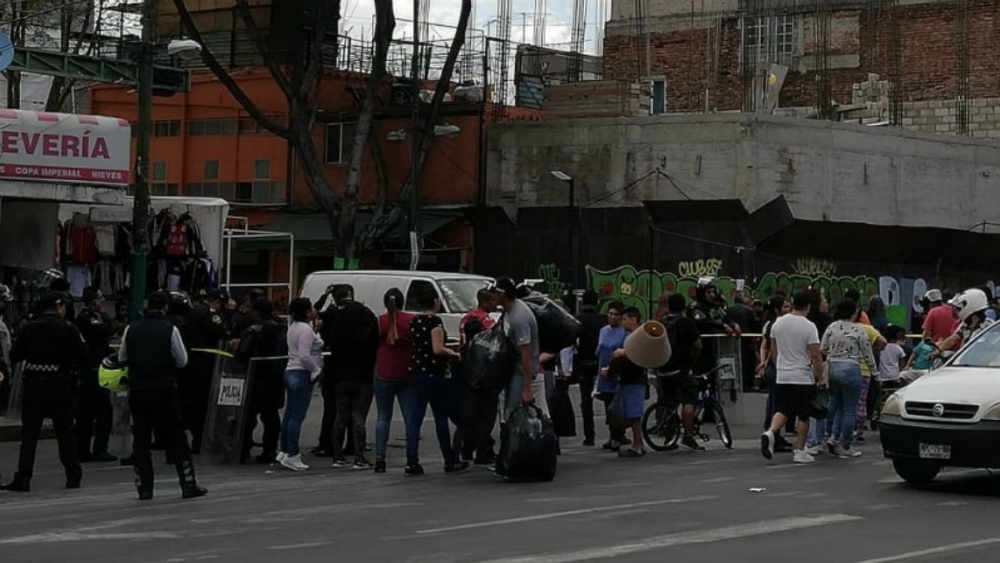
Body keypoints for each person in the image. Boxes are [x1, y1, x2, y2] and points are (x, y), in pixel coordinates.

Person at [119, 291, 207, 500]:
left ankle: (145, 487)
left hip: (138, 390)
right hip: (164, 389)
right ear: (165, 308)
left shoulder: (131, 328)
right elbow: (182, 360)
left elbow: (122, 356)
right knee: (176, 437)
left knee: (141, 440)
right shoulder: (170, 329)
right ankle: (188, 483)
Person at [0, 293, 87, 492]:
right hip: (59, 384)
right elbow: (83, 355)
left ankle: (23, 477)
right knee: (65, 432)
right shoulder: (68, 328)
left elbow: (15, 355)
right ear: (57, 306)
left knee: (29, 435)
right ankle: (73, 474)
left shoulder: (29, 328)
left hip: (34, 384)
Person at [407, 288, 469, 475]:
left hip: (417, 372)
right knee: (441, 419)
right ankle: (449, 460)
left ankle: (412, 461)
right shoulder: (434, 321)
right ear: (435, 301)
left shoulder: (415, 321)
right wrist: (452, 354)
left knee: (415, 419)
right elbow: (437, 348)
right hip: (434, 373)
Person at [761, 289, 826, 465]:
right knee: (803, 415)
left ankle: (770, 432)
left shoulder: (778, 323)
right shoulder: (809, 326)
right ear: (809, 306)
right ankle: (800, 450)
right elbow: (815, 355)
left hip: (783, 374)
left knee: (782, 409)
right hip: (802, 375)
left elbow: (773, 350)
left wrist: (779, 365)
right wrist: (820, 376)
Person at [326, 286, 379, 471]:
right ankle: (359, 456)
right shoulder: (366, 333)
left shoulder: (338, 331)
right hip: (362, 378)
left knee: (340, 418)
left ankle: (337, 456)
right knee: (358, 419)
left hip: (340, 378)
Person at [819, 299, 878, 459]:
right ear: (854, 313)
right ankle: (846, 445)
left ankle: (832, 435)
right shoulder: (858, 330)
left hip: (832, 367)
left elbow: (823, 347)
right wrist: (875, 373)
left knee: (835, 403)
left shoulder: (832, 327)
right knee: (849, 410)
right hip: (851, 368)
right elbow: (867, 353)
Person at [237, 299, 287, 464]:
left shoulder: (252, 331)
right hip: (275, 380)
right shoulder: (281, 329)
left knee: (248, 417)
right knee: (271, 417)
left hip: (255, 379)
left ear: (257, 312)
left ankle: (243, 450)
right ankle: (269, 450)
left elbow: (243, 353)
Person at [373, 288, 417, 474]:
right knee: (410, 418)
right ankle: (411, 458)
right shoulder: (411, 320)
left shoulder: (380, 322)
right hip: (406, 371)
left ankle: (380, 458)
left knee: (383, 416)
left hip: (384, 370)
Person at [492, 277, 548, 419]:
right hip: (514, 368)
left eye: (495, 293)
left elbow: (526, 354)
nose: (493, 296)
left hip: (522, 372)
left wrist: (527, 388)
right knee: (510, 412)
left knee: (513, 412)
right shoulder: (509, 311)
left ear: (502, 294)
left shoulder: (520, 318)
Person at [181, 289, 230, 453]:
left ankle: (196, 439)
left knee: (195, 404)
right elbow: (221, 333)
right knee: (205, 404)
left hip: (191, 363)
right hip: (207, 365)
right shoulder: (209, 314)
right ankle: (204, 440)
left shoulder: (191, 313)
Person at [279, 298, 323, 472]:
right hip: (301, 373)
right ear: (306, 311)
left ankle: (284, 450)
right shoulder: (305, 330)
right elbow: (304, 356)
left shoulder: (295, 327)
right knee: (297, 415)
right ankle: (292, 454)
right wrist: (316, 369)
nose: (314, 310)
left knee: (289, 414)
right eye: (311, 307)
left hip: (290, 371)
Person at [74, 286, 117, 463]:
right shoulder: (87, 319)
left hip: (97, 368)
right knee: (98, 412)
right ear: (93, 302)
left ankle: (89, 448)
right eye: (100, 299)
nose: (103, 302)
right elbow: (106, 328)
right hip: (92, 370)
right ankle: (93, 449)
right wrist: (106, 320)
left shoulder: (94, 317)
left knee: (94, 412)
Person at [658, 293, 704, 452]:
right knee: (688, 400)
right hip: (682, 369)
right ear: (683, 307)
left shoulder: (660, 323)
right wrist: (693, 359)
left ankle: (669, 436)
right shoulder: (687, 323)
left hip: (663, 369)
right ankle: (688, 436)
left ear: (668, 306)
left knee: (668, 401)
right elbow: (697, 345)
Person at [608, 307, 648, 458]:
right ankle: (639, 443)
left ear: (633, 320)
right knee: (632, 413)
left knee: (633, 414)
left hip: (634, 378)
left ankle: (637, 445)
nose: (622, 321)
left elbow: (636, 353)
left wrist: (622, 353)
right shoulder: (631, 335)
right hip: (631, 378)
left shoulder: (637, 336)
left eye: (624, 319)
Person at [758, 295, 792, 450]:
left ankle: (774, 434)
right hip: (778, 368)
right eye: (785, 306)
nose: (789, 308)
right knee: (777, 404)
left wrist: (763, 362)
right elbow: (769, 347)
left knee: (774, 402)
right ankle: (774, 436)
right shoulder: (777, 325)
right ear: (777, 310)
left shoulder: (770, 325)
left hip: (773, 368)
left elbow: (765, 346)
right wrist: (767, 362)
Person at [573, 289, 604, 446]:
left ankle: (589, 435)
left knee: (586, 400)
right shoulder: (603, 320)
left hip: (583, 363)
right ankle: (615, 432)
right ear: (596, 302)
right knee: (607, 395)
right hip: (600, 362)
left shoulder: (577, 320)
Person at [596, 301, 628, 450]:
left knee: (616, 407)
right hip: (603, 373)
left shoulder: (624, 333)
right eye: (611, 314)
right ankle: (612, 435)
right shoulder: (603, 331)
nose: (613, 317)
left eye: (616, 315)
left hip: (617, 373)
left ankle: (618, 435)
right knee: (607, 405)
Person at [932, 289, 995, 355]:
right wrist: (938, 351)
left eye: (959, 308)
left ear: (970, 306)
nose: (956, 311)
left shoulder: (988, 327)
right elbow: (952, 339)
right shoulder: (966, 325)